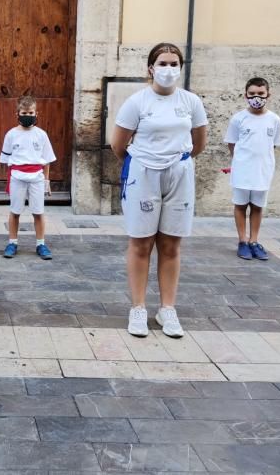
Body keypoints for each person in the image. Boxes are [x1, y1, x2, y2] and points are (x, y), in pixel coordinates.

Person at [111, 43, 207, 339]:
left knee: (171, 244)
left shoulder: (190, 102)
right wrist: (145, 161)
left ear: (180, 67)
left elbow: (199, 142)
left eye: (173, 63)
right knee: (141, 242)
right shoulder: (137, 102)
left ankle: (167, 308)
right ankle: (138, 307)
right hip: (143, 173)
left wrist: (176, 161)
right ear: (151, 68)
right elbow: (118, 144)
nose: (168, 69)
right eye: (162, 63)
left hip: (179, 173)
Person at [224, 77, 280, 261]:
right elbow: (232, 143)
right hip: (242, 170)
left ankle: (254, 240)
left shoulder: (274, 119)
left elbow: (273, 145)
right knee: (241, 205)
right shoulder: (238, 119)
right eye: (252, 94)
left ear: (268, 95)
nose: (256, 97)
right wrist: (240, 161)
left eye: (260, 94)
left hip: (263, 171)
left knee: (257, 206)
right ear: (245, 95)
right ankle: (242, 240)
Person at [0, 95, 57, 260]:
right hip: (17, 176)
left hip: (37, 177)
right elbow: (7, 161)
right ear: (17, 113)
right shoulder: (11, 135)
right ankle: (12, 242)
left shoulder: (41, 135)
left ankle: (40, 243)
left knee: (38, 212)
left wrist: (46, 181)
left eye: (31, 112)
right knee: (15, 211)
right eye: (24, 112)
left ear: (36, 114)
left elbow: (46, 160)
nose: (28, 115)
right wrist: (10, 180)